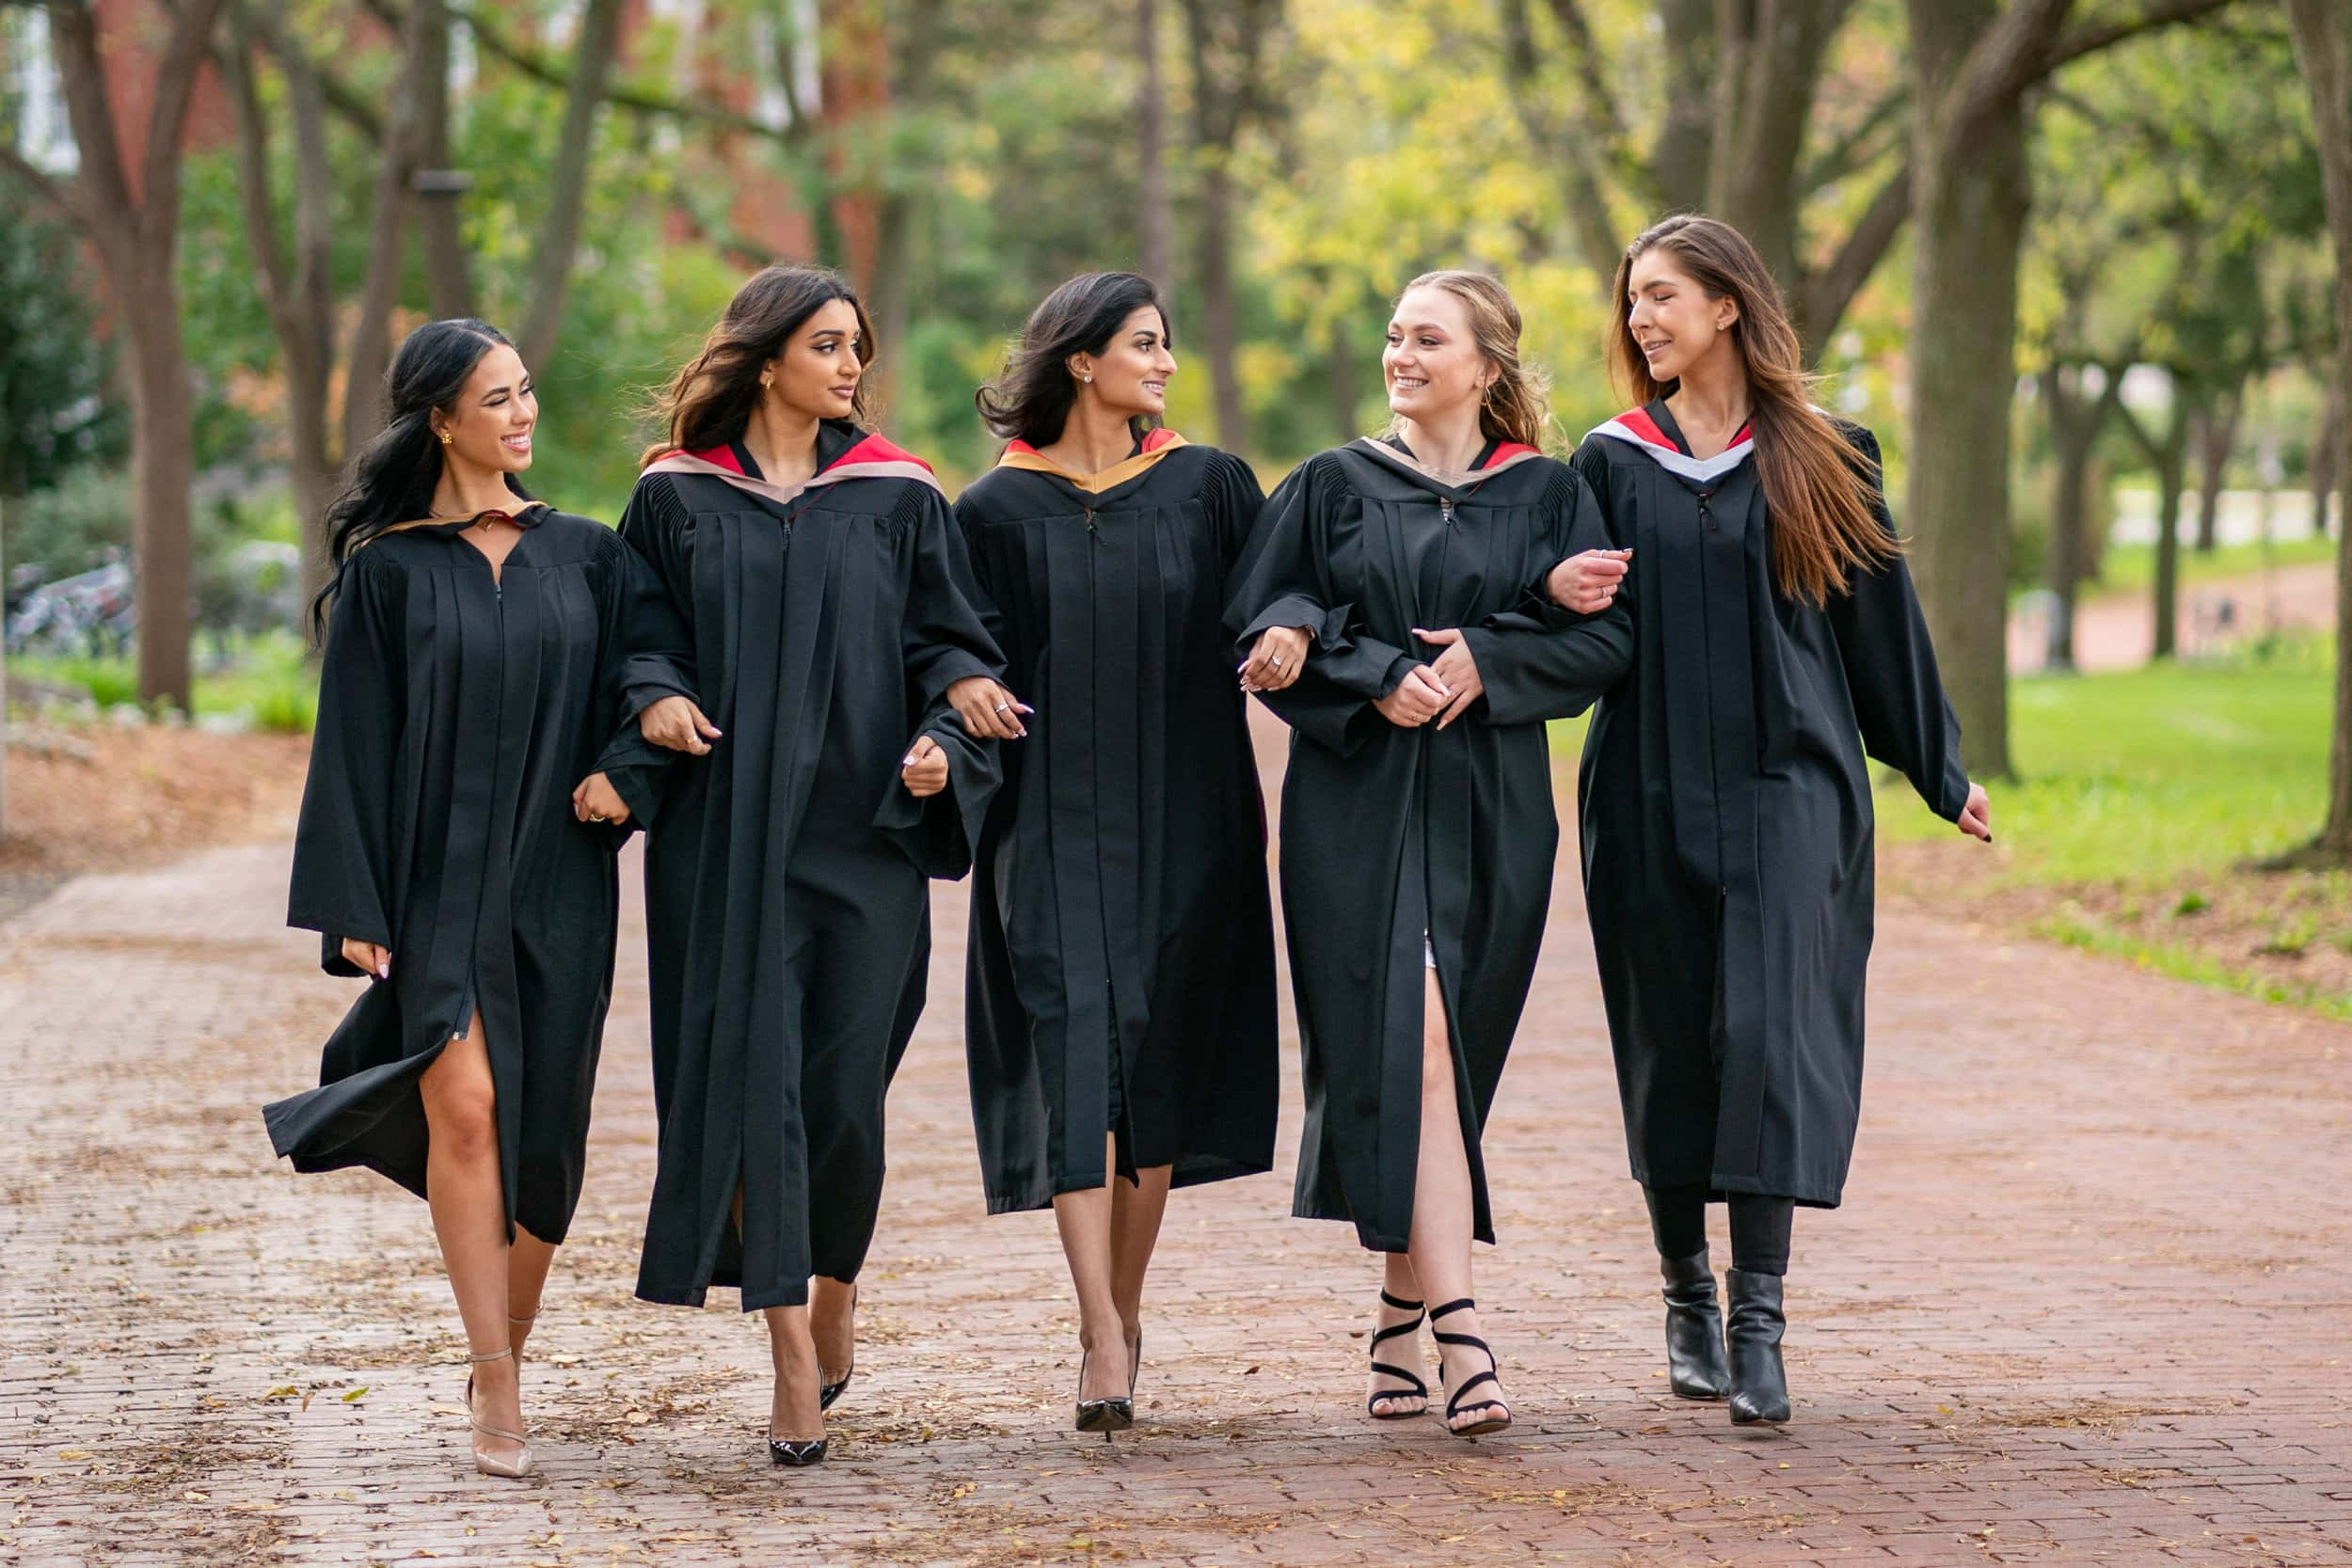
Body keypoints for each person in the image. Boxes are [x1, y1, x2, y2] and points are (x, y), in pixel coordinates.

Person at [1549, 214, 1992, 1427]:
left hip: (1789, 783)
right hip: (1642, 783)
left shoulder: (1824, 452)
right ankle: (1683, 1289)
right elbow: (1571, 628)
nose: (1641, 319)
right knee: (1668, 1034)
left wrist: (1937, 769)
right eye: (1632, 299)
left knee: (1764, 1028)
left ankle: (1759, 1321)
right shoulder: (1607, 462)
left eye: (1663, 296)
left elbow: (1877, 628)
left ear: (1728, 305)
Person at [600, 263, 1017, 1467]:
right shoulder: (677, 499)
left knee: (841, 1095)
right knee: (752, 1084)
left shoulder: (897, 497)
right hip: (722, 842)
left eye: (856, 349)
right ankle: (789, 1353)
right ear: (767, 355)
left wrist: (946, 735)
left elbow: (950, 641)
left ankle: (834, 1281)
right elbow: (639, 637)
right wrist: (661, 698)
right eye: (829, 346)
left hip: (862, 838)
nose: (850, 368)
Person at [264, 319, 686, 1479]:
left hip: (560, 874)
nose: (522, 412)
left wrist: (628, 772)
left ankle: (507, 1339)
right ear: (441, 420)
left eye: (526, 391)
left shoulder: (591, 555)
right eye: (496, 397)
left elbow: (649, 679)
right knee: (466, 1107)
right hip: (434, 877)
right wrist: (358, 904)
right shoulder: (389, 574)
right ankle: (494, 1377)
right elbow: (351, 745)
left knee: (544, 1143)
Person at [1226, 271, 1631, 1436]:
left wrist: (1486, 660)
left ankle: (1397, 1310)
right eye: (1393, 333)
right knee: (1415, 1038)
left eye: (1426, 336)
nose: (1400, 352)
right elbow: (1263, 616)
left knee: (1454, 1053)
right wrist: (1365, 674)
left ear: (1487, 363)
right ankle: (1461, 1325)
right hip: (1353, 805)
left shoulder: (1549, 497)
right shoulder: (1328, 484)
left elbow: (1608, 643)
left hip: (1492, 805)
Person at [955, 272, 1279, 1434]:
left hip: (1187, 812)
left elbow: (1278, 597)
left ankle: (1124, 1303)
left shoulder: (1208, 487)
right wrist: (959, 684)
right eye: (1145, 343)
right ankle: (1098, 1326)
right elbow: (946, 641)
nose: (1166, 365)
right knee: (1075, 1051)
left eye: (1170, 345)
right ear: (1080, 360)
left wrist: (1293, 634)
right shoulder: (992, 513)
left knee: (1154, 1066)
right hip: (1048, 819)